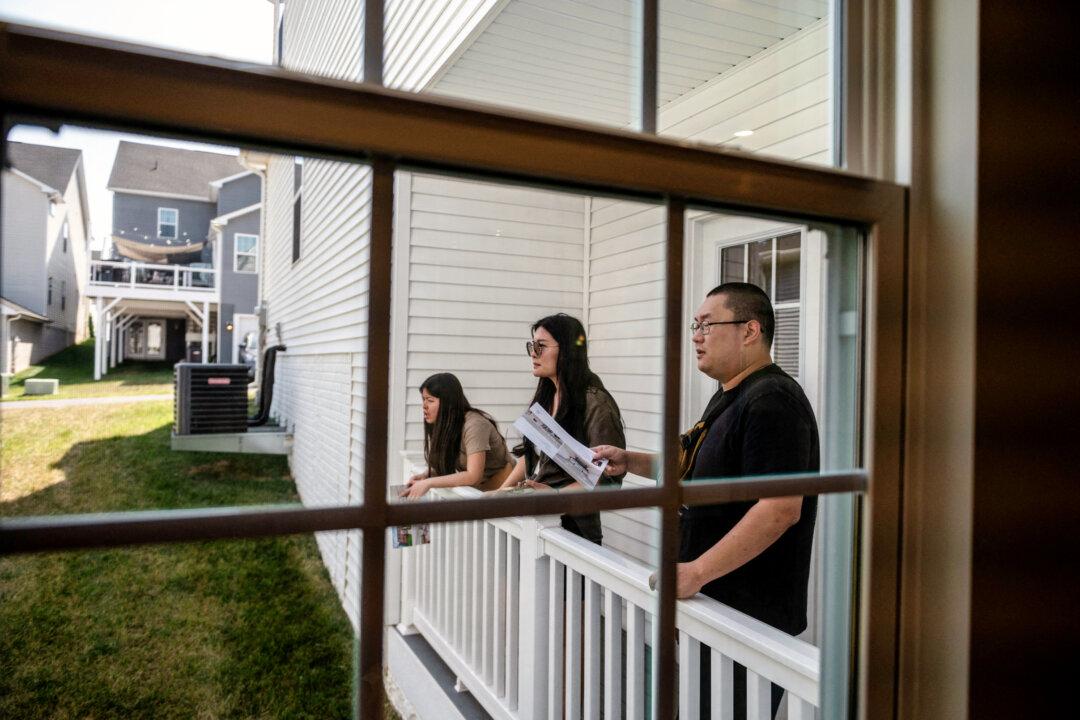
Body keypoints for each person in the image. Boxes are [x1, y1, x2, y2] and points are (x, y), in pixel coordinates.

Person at [593, 282, 819, 719]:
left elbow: (780, 508)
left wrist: (696, 571)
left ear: (750, 330)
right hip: (714, 606)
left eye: (706, 324)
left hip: (750, 619)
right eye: (694, 325)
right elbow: (691, 464)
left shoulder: (772, 400)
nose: (695, 335)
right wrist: (630, 461)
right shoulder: (729, 396)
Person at [497, 313, 626, 545]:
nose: (533, 353)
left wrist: (555, 496)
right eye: (532, 346)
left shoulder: (595, 403)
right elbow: (531, 457)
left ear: (567, 350)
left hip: (571, 531)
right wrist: (498, 494)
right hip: (536, 523)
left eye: (542, 346)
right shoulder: (547, 396)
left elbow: (607, 481)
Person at [401, 373, 514, 499]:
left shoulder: (474, 425)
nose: (424, 406)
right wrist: (427, 475)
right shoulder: (447, 427)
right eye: (423, 399)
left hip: (506, 491)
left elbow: (473, 476)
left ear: (448, 403)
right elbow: (448, 462)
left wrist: (428, 483)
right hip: (481, 493)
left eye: (430, 400)